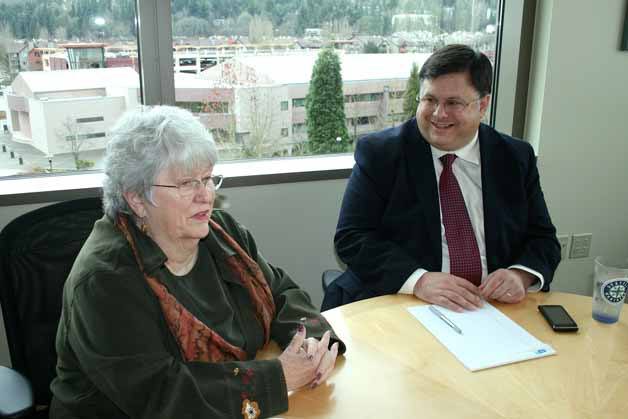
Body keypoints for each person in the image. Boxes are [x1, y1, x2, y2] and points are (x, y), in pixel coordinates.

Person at [50, 106, 344, 419]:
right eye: (186, 183)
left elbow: (281, 291)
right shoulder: (105, 280)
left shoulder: (223, 233)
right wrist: (276, 378)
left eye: (207, 179)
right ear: (136, 198)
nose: (205, 196)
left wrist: (311, 342)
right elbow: (160, 394)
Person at [325, 44, 560, 312]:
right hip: (404, 302)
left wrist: (521, 275)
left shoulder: (515, 157)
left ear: (483, 104)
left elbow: (543, 238)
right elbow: (352, 238)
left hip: (491, 307)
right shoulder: (382, 154)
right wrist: (419, 280)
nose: (438, 114)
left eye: (453, 103)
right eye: (430, 100)